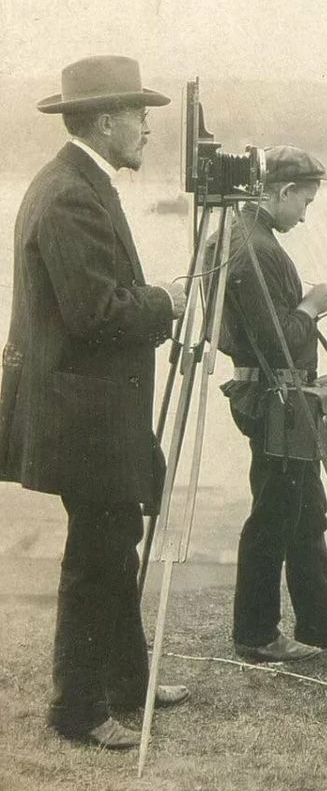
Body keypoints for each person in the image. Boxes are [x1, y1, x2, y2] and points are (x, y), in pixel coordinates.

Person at [0, 55, 190, 749]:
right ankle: (76, 711)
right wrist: (166, 300)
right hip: (82, 415)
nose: (147, 129)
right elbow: (95, 313)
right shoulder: (71, 194)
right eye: (140, 116)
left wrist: (152, 299)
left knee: (114, 547)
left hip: (92, 409)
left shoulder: (84, 182)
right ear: (107, 121)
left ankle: (125, 686)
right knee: (97, 555)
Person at [216, 146, 327, 663]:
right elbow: (279, 339)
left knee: (307, 511)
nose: (305, 214)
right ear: (283, 192)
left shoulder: (243, 236)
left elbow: (245, 329)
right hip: (275, 400)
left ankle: (319, 622)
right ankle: (257, 634)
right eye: (304, 202)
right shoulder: (256, 248)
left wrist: (297, 307)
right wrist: (310, 307)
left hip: (276, 395)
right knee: (275, 513)